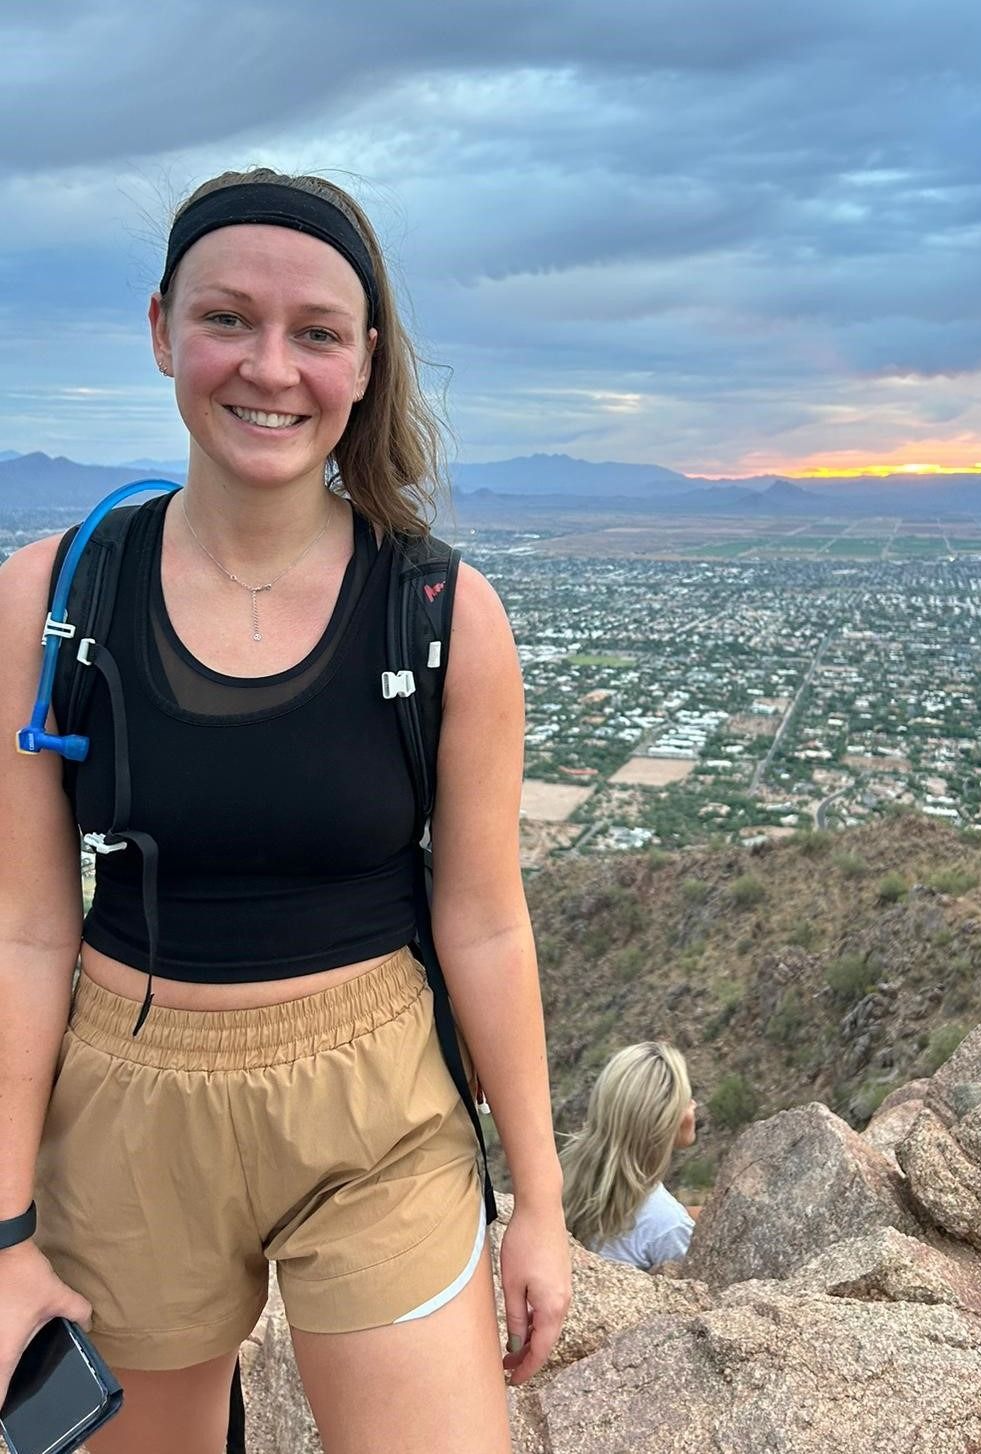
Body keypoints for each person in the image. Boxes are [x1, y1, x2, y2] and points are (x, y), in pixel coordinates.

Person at [0, 167, 570, 1454]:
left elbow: (483, 919)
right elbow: (25, 931)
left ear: (367, 361)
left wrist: (538, 1200)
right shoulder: (52, 599)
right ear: (159, 330)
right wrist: (4, 1231)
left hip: (378, 1106)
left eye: (316, 331)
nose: (271, 366)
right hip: (125, 1100)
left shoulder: (438, 615)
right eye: (228, 320)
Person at [560, 1042, 697, 1270]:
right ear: (664, 1122)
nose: (694, 1105)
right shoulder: (669, 1227)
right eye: (686, 1100)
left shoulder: (568, 1178)